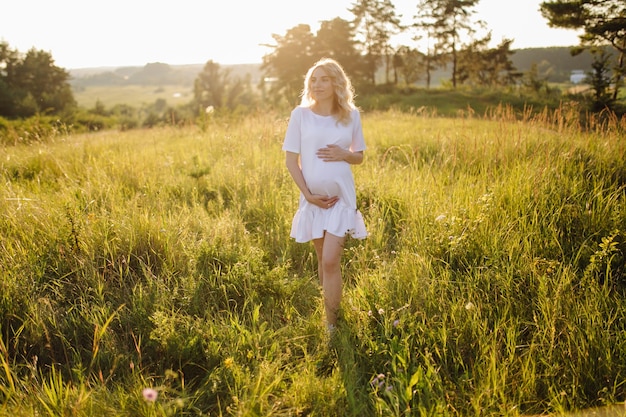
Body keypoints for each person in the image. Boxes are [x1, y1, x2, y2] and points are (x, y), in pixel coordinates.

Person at [282, 58, 367, 333]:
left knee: (331, 260)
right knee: (321, 259)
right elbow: (290, 160)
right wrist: (307, 195)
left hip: (341, 200)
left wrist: (345, 154)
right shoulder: (300, 115)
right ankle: (328, 311)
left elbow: (359, 157)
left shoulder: (351, 115)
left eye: (324, 79)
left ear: (336, 83)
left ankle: (332, 326)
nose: (317, 85)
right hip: (313, 201)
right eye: (313, 80)